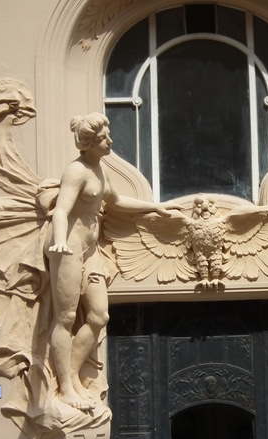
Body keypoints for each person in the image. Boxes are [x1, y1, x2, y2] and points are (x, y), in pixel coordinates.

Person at [45, 112, 179, 410]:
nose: (111, 141)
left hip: (90, 250)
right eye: (104, 138)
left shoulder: (100, 169)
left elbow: (115, 201)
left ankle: (73, 373)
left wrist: (155, 207)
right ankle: (65, 388)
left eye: (108, 135)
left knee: (99, 316)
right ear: (89, 143)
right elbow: (61, 210)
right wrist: (60, 240)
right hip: (68, 247)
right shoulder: (76, 171)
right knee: (66, 318)